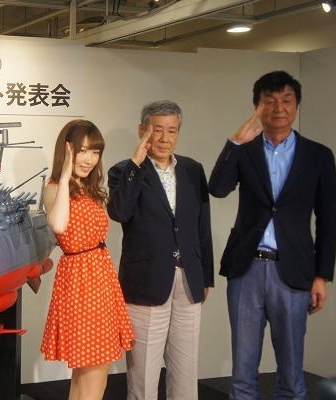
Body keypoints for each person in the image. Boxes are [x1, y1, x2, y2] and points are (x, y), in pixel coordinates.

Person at [209, 70, 336, 399]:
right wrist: (235, 143)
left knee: (292, 373)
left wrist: (322, 276)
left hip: (293, 271)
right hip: (246, 270)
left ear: (296, 105)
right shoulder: (245, 150)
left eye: (286, 100)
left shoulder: (318, 155)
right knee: (243, 372)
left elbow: (328, 221)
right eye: (269, 101)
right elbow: (218, 188)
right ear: (258, 106)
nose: (278, 108)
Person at [107, 100, 214, 400]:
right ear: (142, 130)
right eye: (157, 130)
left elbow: (202, 226)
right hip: (146, 281)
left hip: (189, 280)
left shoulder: (193, 169)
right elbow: (119, 212)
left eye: (172, 131)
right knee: (143, 375)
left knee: (186, 372)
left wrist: (205, 276)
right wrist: (136, 163)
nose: (165, 138)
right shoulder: (123, 171)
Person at [40, 119, 134, 400]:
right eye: (82, 151)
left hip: (99, 279)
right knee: (94, 374)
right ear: (67, 150)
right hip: (82, 283)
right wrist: (65, 174)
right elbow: (58, 225)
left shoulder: (89, 189)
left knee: (87, 375)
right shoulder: (55, 188)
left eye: (95, 152)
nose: (90, 159)